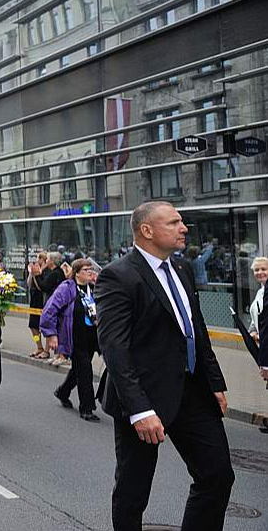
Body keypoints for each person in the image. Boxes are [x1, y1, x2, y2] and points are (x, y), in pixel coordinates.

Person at [96, 201, 233, 531]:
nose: (183, 228)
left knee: (217, 475)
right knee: (134, 490)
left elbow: (195, 330)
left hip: (191, 392)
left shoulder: (182, 269)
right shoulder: (118, 275)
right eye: (173, 223)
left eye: (181, 222)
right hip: (143, 398)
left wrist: (214, 382)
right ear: (147, 231)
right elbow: (115, 348)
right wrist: (140, 410)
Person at [40, 258, 101, 422]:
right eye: (86, 270)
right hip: (74, 336)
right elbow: (49, 311)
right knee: (85, 369)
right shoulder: (66, 288)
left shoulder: (93, 288)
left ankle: (62, 391)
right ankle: (87, 408)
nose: (90, 272)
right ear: (77, 273)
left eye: (91, 269)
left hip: (92, 336)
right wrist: (52, 335)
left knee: (79, 368)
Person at [26, 253, 50, 359]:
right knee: (33, 326)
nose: (37, 262)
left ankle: (46, 349)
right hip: (34, 300)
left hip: (43, 301)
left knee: (46, 327)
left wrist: (37, 274)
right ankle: (39, 345)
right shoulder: (35, 271)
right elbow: (29, 283)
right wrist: (31, 273)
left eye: (39, 259)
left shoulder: (46, 272)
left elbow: (41, 286)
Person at [247, 256, 267, 342]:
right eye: (256, 270)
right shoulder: (260, 292)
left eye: (263, 269)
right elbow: (256, 314)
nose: (260, 272)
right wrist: (253, 330)